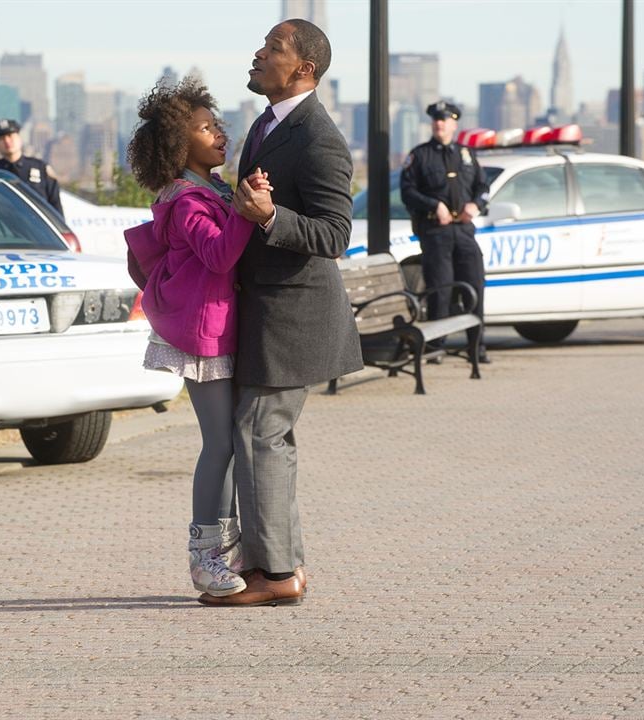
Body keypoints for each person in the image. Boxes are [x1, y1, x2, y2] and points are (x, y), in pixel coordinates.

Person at [198, 19, 362, 608]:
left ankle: (277, 573)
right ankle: (279, 562)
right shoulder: (268, 126)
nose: (259, 54)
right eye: (263, 45)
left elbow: (336, 234)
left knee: (258, 433)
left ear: (304, 70)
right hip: (263, 312)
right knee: (267, 437)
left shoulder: (319, 139)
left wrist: (270, 216)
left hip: (295, 316)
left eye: (274, 48)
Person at [123, 77, 272, 598]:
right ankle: (204, 554)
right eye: (205, 128)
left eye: (217, 125)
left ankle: (225, 551)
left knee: (230, 442)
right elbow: (219, 255)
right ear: (177, 145)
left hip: (218, 326)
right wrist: (250, 214)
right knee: (220, 444)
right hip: (202, 334)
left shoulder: (211, 190)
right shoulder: (187, 200)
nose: (218, 134)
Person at [400, 100, 490, 364]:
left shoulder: (466, 154)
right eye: (436, 120)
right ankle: (435, 347)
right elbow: (407, 192)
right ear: (432, 123)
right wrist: (434, 205)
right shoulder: (419, 155)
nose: (440, 123)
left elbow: (483, 187)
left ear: (454, 124)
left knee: (474, 287)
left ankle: (477, 346)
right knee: (439, 290)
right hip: (435, 232)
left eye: (446, 119)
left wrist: (477, 204)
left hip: (463, 231)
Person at [0, 119, 64, 216]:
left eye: (10, 136)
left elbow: (55, 205)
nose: (7, 141)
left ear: (19, 138)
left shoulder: (40, 168)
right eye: (1, 138)